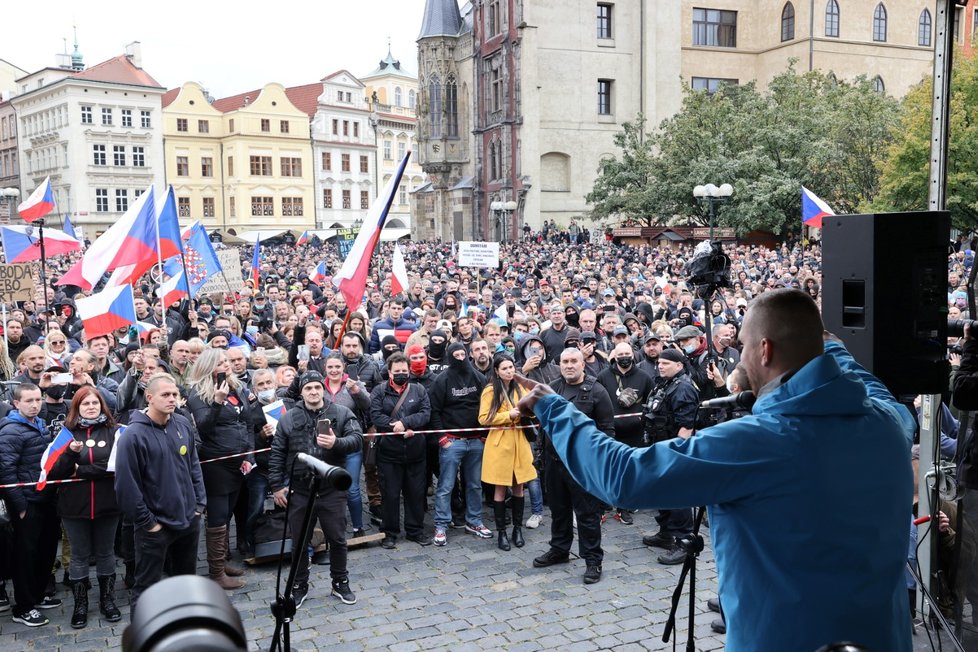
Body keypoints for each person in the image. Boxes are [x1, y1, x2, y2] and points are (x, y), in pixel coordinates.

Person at [520, 289, 916, 651]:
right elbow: (857, 376)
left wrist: (552, 406)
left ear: (764, 350)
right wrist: (815, 345)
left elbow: (622, 476)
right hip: (883, 637)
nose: (738, 355)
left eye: (742, 346)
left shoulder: (757, 442)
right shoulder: (889, 421)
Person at [113, 374, 206, 617]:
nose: (172, 399)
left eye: (175, 394)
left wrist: (198, 506)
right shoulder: (133, 436)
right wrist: (148, 523)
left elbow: (193, 465)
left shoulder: (182, 423)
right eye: (166, 395)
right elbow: (126, 487)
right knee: (147, 590)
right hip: (154, 528)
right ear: (150, 397)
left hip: (188, 520)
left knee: (186, 584)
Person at [269, 370, 362, 607]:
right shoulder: (289, 418)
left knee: (338, 539)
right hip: (300, 489)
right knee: (299, 541)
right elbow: (278, 452)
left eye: (317, 387)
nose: (313, 392)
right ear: (301, 392)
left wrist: (336, 442)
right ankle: (300, 584)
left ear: (323, 389)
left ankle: (340, 581)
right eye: (308, 388)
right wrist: (277, 486)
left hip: (331, 489)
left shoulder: (340, 413)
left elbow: (357, 439)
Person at [533, 348, 615, 584]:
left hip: (582, 465)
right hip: (554, 461)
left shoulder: (597, 390)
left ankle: (592, 561)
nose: (569, 365)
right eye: (565, 362)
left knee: (588, 514)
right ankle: (559, 549)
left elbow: (607, 430)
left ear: (582, 364)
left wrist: (601, 463)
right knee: (559, 511)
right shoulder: (553, 388)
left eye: (573, 361)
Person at [47, 387, 122, 628]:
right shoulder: (66, 433)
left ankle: (107, 599)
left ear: (102, 405)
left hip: (108, 504)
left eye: (95, 403)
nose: (91, 407)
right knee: (78, 556)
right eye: (85, 403)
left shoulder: (114, 432)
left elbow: (113, 465)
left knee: (105, 553)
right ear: (76, 408)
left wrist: (81, 471)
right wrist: (69, 455)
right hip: (74, 506)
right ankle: (81, 604)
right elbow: (54, 471)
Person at [185, 348, 252, 590]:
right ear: (209, 367)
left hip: (238, 461)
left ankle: (221, 562)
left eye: (227, 361)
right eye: (221, 362)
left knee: (227, 514)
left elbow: (247, 423)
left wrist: (249, 455)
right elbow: (202, 428)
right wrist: (217, 402)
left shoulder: (237, 388)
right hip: (215, 464)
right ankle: (215, 572)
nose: (227, 365)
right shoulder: (198, 394)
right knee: (216, 516)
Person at [0, 383, 61, 627]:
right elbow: (6, 472)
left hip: (45, 498)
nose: (35, 404)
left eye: (38, 399)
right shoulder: (10, 431)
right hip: (26, 502)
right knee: (25, 556)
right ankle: (23, 606)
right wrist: (21, 506)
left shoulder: (39, 424)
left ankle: (37, 595)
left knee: (45, 550)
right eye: (29, 401)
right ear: (16, 403)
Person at [429, 342, 491, 546]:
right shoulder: (442, 380)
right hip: (452, 441)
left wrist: (483, 435)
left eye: (462, 354)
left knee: (474, 485)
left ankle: (474, 521)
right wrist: (442, 438)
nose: (460, 358)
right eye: (455, 355)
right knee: (446, 485)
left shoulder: (478, 377)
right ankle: (441, 524)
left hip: (475, 441)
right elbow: (434, 410)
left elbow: (487, 407)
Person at [370, 353, 432, 548]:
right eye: (397, 372)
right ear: (389, 372)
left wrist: (406, 423)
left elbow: (425, 413)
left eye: (404, 371)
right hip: (389, 453)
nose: (401, 374)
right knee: (390, 494)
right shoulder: (379, 391)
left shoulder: (419, 390)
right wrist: (394, 426)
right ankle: (390, 532)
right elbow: (375, 416)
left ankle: (415, 530)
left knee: (415, 493)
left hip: (415, 451)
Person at [479, 353, 536, 551]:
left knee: (520, 486)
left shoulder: (519, 386)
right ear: (496, 370)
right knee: (500, 488)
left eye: (511, 367)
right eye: (504, 368)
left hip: (519, 441)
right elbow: (484, 418)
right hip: (500, 442)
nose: (509, 371)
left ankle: (517, 529)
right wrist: (507, 415)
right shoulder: (490, 390)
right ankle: (502, 531)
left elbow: (529, 408)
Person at [322, 352, 370, 537]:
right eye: (330, 367)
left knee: (352, 488)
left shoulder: (353, 384)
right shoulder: (320, 387)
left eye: (337, 367)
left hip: (350, 444)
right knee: (329, 489)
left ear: (343, 368)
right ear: (325, 369)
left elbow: (368, 405)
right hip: (328, 446)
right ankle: (332, 528)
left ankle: (358, 527)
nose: (334, 370)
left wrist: (356, 391)